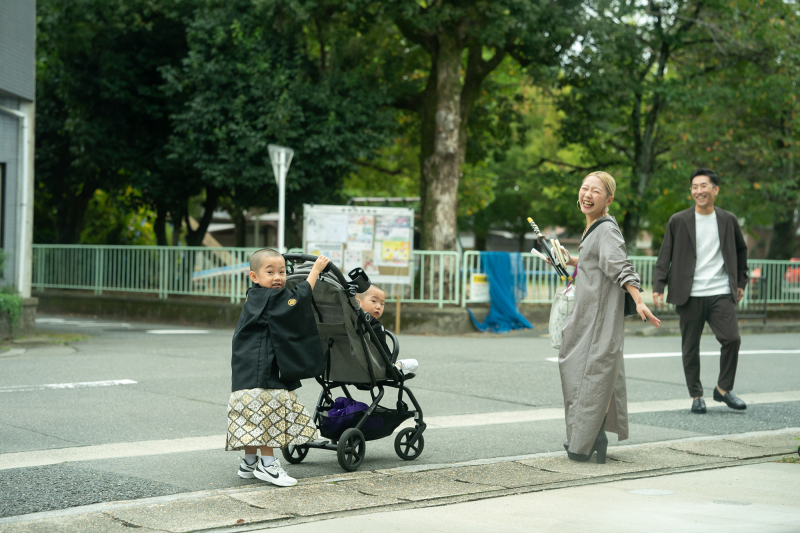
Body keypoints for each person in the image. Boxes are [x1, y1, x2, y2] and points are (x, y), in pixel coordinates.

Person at [558, 171, 661, 463]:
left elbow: (619, 265)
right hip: (588, 312)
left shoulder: (606, 229)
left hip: (597, 317)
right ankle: (594, 436)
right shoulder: (597, 227)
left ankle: (584, 443)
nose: (587, 195)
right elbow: (600, 260)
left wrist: (639, 300)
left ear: (609, 200)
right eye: (584, 188)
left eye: (596, 191)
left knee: (584, 372)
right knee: (597, 372)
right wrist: (576, 259)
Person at [226, 249, 330, 487]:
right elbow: (300, 297)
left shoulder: (255, 297)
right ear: (254, 276)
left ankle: (249, 461)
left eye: (282, 272)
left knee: (251, 413)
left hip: (246, 366)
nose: (278, 278)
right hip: (263, 368)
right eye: (270, 272)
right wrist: (315, 270)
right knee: (267, 413)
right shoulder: (273, 298)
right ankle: (268, 465)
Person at [653, 169, 748, 414]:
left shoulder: (728, 219)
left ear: (715, 190)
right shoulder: (678, 220)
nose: (698, 191)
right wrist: (658, 286)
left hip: (720, 292)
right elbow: (665, 255)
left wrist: (740, 282)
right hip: (690, 294)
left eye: (703, 186)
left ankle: (723, 389)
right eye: (694, 187)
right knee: (690, 347)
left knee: (732, 339)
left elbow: (740, 251)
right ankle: (696, 395)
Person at [355, 284, 418, 374]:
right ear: (358, 303)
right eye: (374, 301)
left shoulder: (347, 322)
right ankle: (398, 365)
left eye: (382, 304)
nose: (378, 306)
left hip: (346, 368)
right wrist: (390, 365)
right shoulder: (373, 325)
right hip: (375, 368)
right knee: (415, 363)